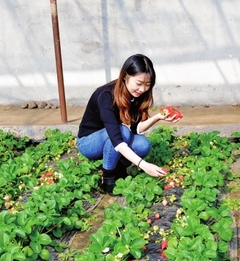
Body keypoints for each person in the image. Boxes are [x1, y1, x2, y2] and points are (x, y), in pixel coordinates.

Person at [76, 54, 179, 194]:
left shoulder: (135, 95)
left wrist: (158, 117)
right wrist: (143, 165)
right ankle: (107, 177)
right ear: (125, 76)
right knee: (122, 132)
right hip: (89, 143)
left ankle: (118, 167)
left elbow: (136, 129)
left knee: (143, 145)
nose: (142, 89)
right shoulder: (106, 95)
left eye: (147, 85)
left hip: (112, 139)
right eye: (139, 83)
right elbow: (117, 140)